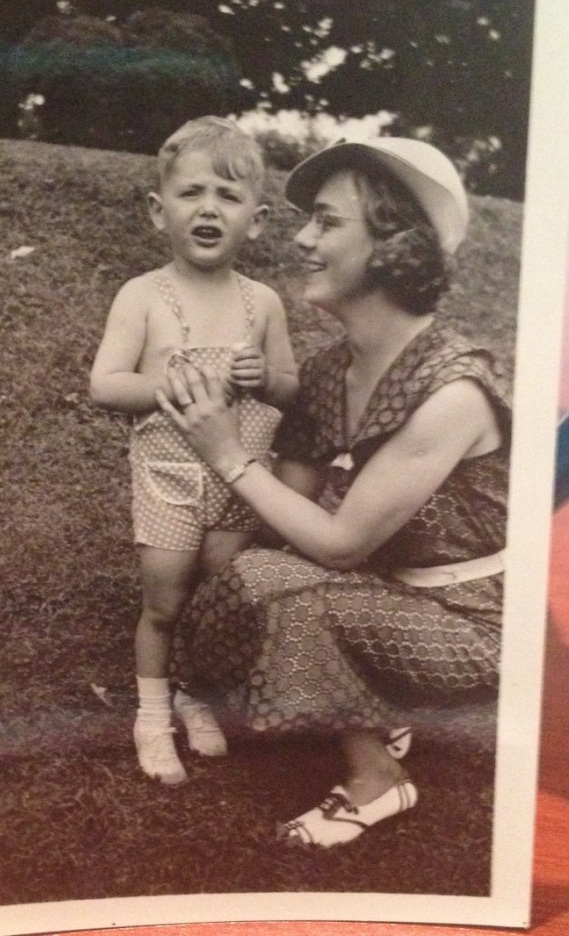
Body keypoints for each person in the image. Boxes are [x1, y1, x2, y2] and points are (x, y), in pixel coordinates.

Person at [157, 137, 510, 848]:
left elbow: (341, 546)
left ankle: (377, 779)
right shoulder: (328, 372)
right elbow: (284, 511)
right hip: (387, 595)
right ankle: (378, 702)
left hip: (474, 626)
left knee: (284, 588)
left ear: (391, 245)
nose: (301, 239)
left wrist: (226, 452)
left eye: (324, 222)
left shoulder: (453, 389)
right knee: (247, 572)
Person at [90, 116, 299, 786]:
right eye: (191, 193)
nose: (208, 208)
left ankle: (194, 693)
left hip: (240, 478)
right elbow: (104, 384)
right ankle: (152, 715)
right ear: (160, 210)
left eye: (228, 197)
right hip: (170, 476)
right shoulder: (143, 297)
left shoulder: (261, 303)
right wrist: (164, 383)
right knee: (165, 601)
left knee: (217, 599)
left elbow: (290, 385)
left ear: (256, 220)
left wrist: (261, 378)